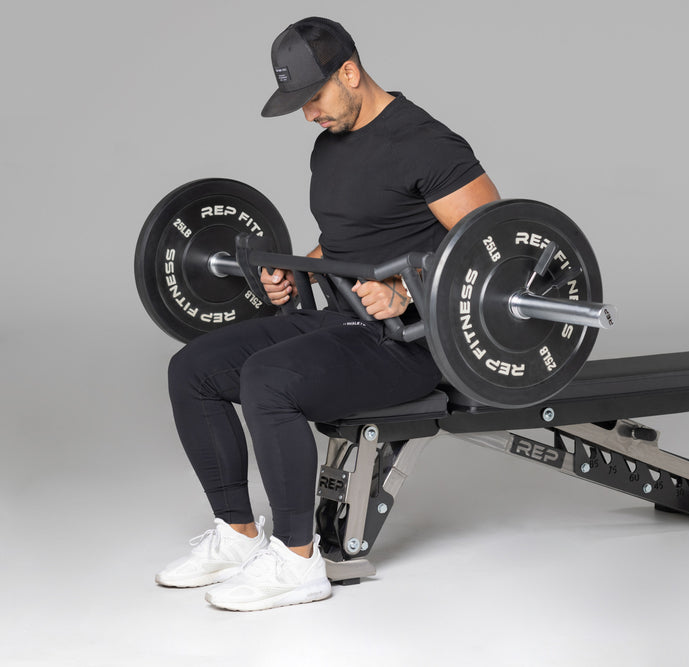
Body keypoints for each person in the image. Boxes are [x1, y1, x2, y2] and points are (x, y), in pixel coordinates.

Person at [156, 17, 500, 611]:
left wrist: (405, 293)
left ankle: (297, 562)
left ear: (350, 73)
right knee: (192, 368)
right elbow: (346, 241)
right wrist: (301, 268)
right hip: (344, 319)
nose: (309, 115)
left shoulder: (428, 144)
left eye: (313, 98)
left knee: (269, 379)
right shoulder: (329, 147)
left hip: (413, 342)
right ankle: (237, 535)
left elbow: (492, 251)